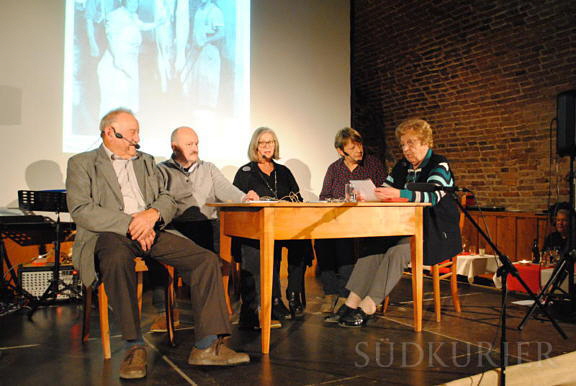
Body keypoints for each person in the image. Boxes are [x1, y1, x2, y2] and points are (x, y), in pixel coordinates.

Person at [66, 108, 249, 380]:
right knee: (116, 260)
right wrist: (131, 224)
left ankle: (207, 345)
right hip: (110, 232)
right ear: (109, 133)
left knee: (206, 260)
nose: (137, 139)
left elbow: (168, 197)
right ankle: (133, 346)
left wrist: (151, 216)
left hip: (152, 229)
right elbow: (81, 209)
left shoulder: (147, 161)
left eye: (138, 132)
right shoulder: (82, 162)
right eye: (131, 133)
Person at [326, 118, 462, 327]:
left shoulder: (439, 164)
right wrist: (370, 195)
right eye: (403, 144)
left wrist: (400, 193)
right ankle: (352, 303)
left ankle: (370, 305)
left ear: (426, 142)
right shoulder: (402, 166)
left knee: (397, 252)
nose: (406, 149)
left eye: (411, 143)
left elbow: (432, 197)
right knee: (373, 246)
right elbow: (383, 188)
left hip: (434, 233)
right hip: (405, 228)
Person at [147, 126, 258, 332]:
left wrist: (244, 197)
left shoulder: (208, 168)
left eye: (196, 143)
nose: (195, 148)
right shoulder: (160, 170)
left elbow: (225, 189)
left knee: (216, 253)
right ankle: (164, 312)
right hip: (175, 226)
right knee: (157, 255)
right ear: (174, 147)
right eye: (189, 144)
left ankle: (214, 309)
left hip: (207, 224)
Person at [233, 127, 312, 329]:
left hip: (284, 226)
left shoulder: (284, 172)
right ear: (255, 146)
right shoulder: (245, 172)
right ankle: (275, 301)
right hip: (258, 229)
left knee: (302, 242)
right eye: (263, 142)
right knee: (271, 249)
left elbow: (298, 199)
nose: (267, 146)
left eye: (271, 142)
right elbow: (237, 204)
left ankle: (293, 293)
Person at [315, 128, 386, 314]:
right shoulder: (334, 169)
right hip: (339, 220)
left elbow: (385, 192)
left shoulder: (373, 165)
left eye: (360, 145)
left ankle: (345, 293)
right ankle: (330, 293)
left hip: (366, 221)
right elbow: (324, 196)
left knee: (344, 242)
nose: (359, 150)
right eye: (353, 147)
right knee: (321, 241)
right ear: (341, 151)